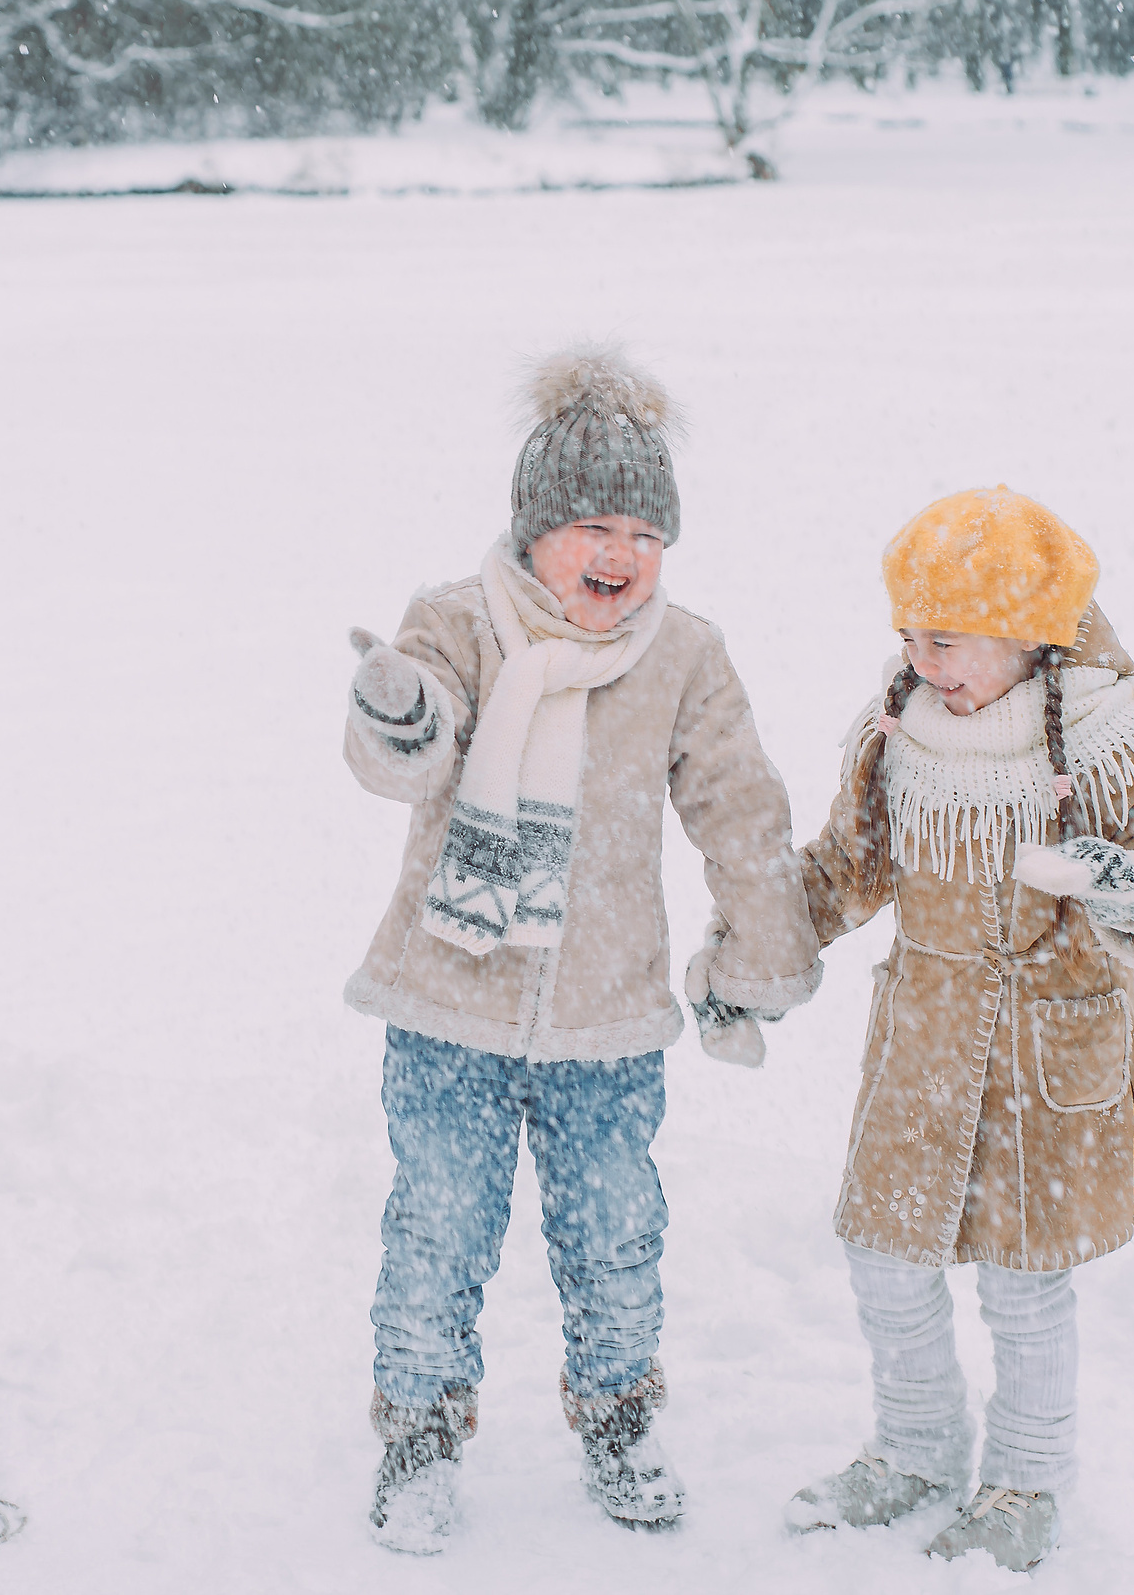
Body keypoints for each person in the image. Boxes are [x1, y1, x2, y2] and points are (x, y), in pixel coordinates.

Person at [340, 347, 821, 1553]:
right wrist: (396, 715)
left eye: (646, 535)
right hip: (448, 1001)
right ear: (534, 528)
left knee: (614, 1236)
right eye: (595, 528)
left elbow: (739, 804)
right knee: (436, 1231)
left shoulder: (681, 654)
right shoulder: (458, 622)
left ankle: (618, 1418)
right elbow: (413, 746)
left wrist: (763, 949)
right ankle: (419, 1433)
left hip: (606, 1018)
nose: (622, 555)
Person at [776, 486, 1134, 1572]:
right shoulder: (901, 734)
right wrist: (761, 931)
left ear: (1025, 629)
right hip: (921, 1052)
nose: (921, 660)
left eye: (944, 638)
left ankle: (1026, 1480)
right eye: (908, 635)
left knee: (1024, 1288)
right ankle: (916, 1447)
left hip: (1046, 1063)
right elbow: (847, 867)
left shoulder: (1106, 737)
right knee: (885, 1259)